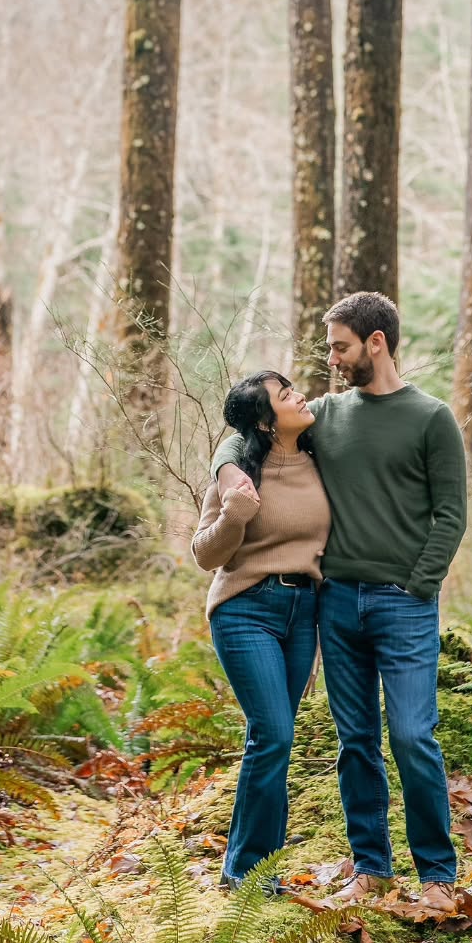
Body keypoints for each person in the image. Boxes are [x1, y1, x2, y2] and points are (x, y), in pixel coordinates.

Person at [213, 292, 467, 905]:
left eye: (340, 347)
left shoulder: (432, 418)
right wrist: (226, 471)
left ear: (375, 343)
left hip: (404, 604)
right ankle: (371, 867)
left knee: (411, 734)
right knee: (355, 739)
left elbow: (451, 515)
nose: (331, 359)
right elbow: (248, 431)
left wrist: (418, 584)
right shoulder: (326, 414)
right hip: (335, 602)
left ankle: (437, 873)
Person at [191, 371, 329, 889]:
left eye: (292, 387)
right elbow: (206, 555)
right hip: (246, 608)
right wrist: (234, 516)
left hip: (305, 611)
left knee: (274, 741)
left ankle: (256, 866)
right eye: (285, 395)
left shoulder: (320, 456)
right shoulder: (241, 471)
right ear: (267, 423)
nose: (300, 395)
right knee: (273, 734)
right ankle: (248, 873)